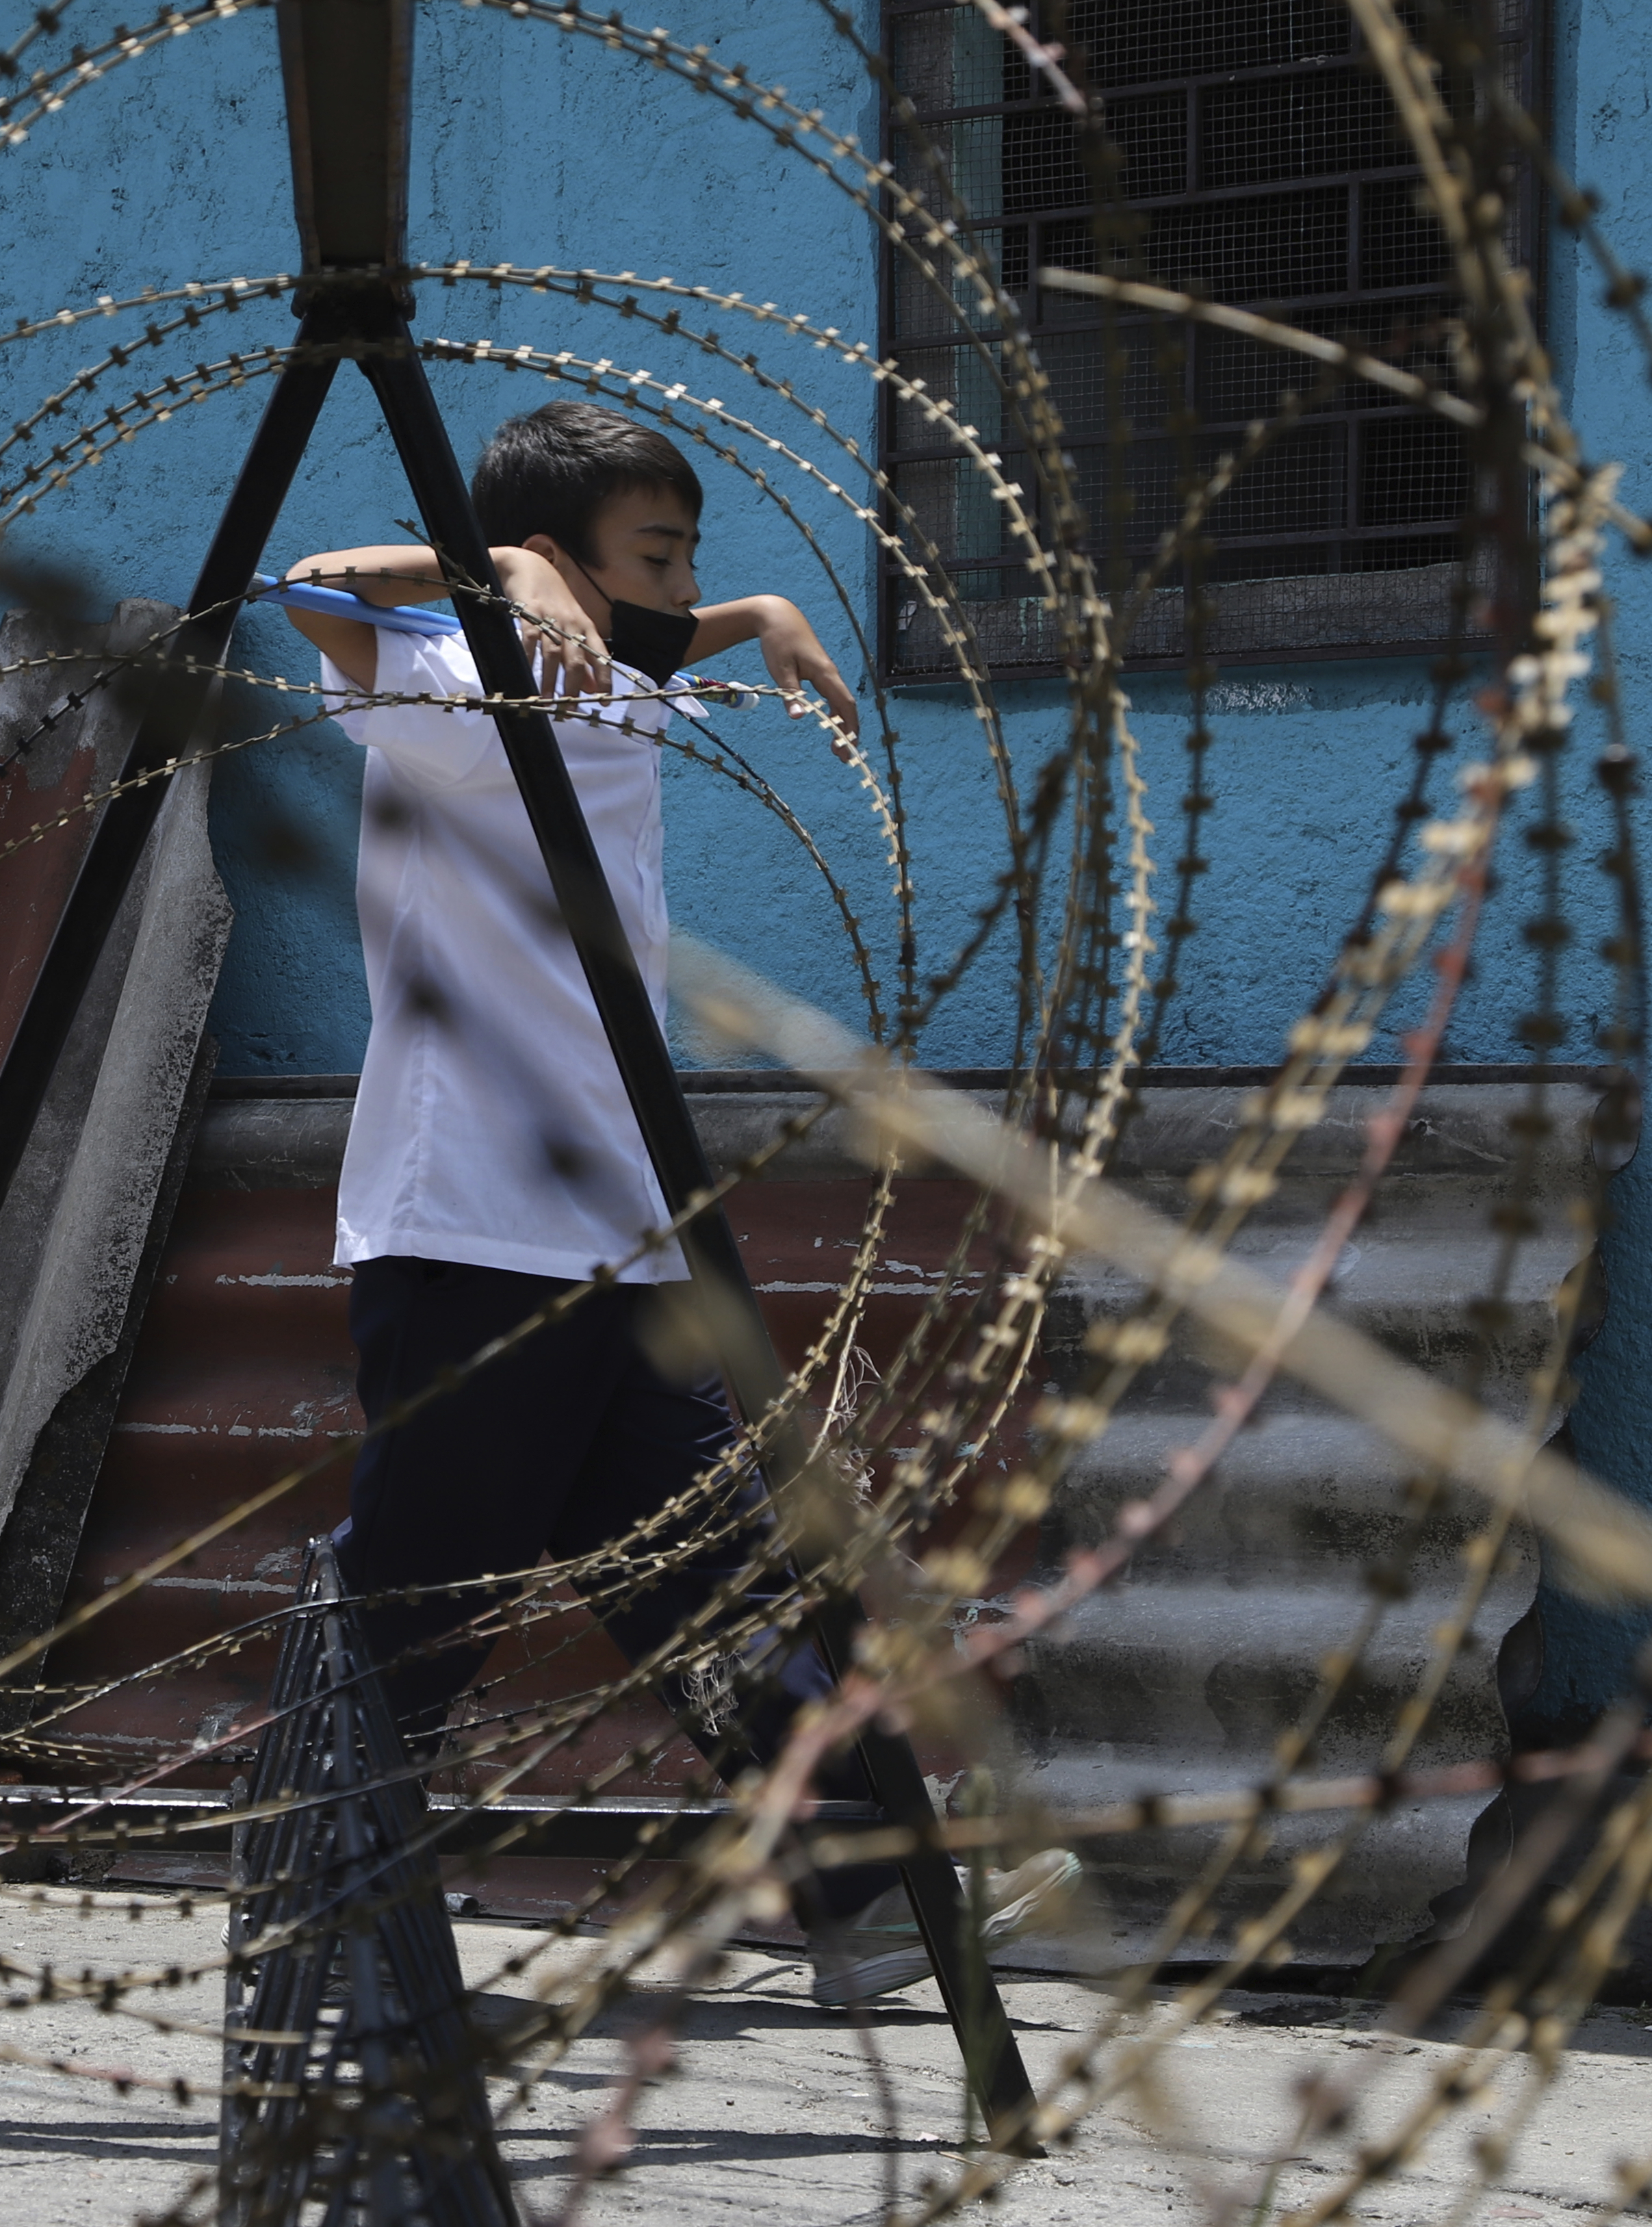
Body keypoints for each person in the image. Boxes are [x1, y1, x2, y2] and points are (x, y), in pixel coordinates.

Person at [274, 400, 1070, 2006]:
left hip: (621, 1233)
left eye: (687, 554)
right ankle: (311, 1909)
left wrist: (754, 614)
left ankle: (851, 1876)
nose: (679, 583)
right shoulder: (449, 680)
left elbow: (636, 630)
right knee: (420, 1600)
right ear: (554, 562)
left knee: (711, 1569)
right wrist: (494, 565)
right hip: (477, 1229)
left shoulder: (613, 672)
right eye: (655, 555)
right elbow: (311, 586)